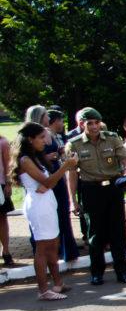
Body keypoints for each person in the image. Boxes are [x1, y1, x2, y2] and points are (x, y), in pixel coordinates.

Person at [65, 107, 126, 285]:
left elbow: (124, 157)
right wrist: (72, 200)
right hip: (91, 190)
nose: (95, 126)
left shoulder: (111, 138)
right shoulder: (74, 144)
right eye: (90, 123)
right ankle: (97, 272)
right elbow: (72, 174)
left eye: (97, 122)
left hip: (113, 188)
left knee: (118, 231)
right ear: (81, 124)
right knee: (95, 234)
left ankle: (122, 271)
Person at [12, 122, 79, 299]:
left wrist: (47, 183)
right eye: (41, 137)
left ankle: (58, 283)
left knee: (53, 244)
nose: (44, 141)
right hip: (38, 205)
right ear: (30, 139)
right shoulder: (25, 160)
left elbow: (48, 183)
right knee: (42, 247)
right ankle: (43, 290)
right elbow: (48, 182)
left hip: (47, 202)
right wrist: (65, 167)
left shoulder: (35, 157)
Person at [25, 105, 79, 263]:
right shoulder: (30, 141)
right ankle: (45, 253)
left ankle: (65, 250)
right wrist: (49, 159)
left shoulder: (49, 133)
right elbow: (30, 160)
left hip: (55, 173)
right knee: (46, 218)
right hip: (43, 178)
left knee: (62, 213)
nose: (49, 118)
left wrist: (60, 153)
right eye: (46, 115)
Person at [0, 131, 14, 266]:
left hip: (0, 184)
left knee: (2, 219)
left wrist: (8, 184)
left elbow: (8, 165)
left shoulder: (3, 142)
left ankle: (6, 251)